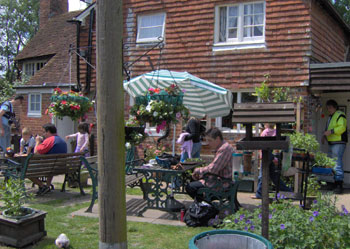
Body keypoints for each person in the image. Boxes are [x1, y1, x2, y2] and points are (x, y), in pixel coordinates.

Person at [185, 127, 234, 201]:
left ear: (217, 139)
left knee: (190, 187)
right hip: (222, 180)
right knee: (194, 180)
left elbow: (213, 169)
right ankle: (202, 204)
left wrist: (198, 170)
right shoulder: (224, 147)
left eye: (210, 140)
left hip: (222, 184)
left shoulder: (224, 149)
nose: (208, 143)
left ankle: (204, 205)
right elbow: (214, 167)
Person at [252, 123, 292, 199]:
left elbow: (262, 145)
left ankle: (259, 194)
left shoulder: (265, 132)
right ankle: (288, 191)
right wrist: (274, 158)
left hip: (265, 155)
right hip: (271, 154)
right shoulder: (276, 132)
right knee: (274, 176)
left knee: (262, 175)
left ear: (266, 124)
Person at [30, 123, 68, 195]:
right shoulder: (62, 141)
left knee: (27, 170)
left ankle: (42, 186)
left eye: (44, 132)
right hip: (60, 167)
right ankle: (47, 185)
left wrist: (38, 141)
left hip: (49, 167)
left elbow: (36, 152)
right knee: (51, 166)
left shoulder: (50, 140)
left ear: (48, 132)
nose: (43, 134)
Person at [321, 99, 347, 194]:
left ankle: (339, 184)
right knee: (333, 163)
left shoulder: (340, 115)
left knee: (337, 162)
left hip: (338, 142)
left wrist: (330, 132)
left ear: (335, 107)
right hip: (332, 142)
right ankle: (336, 182)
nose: (329, 110)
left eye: (330, 108)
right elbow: (328, 128)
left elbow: (342, 127)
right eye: (328, 108)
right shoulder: (331, 116)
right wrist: (324, 136)